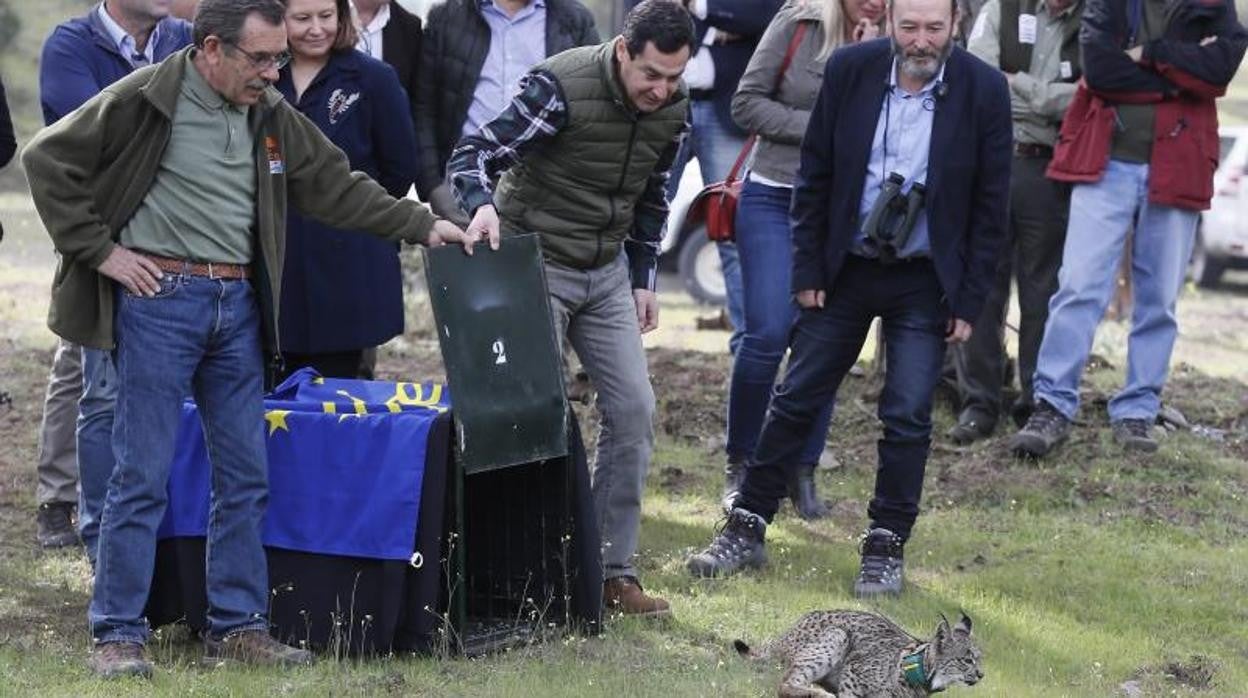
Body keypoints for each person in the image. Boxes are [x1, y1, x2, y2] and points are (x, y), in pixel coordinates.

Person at [22, 0, 470, 677]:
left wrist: (424, 226)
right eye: (259, 59)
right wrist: (101, 252)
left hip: (237, 308)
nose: (273, 71)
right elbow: (47, 158)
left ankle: (237, 627)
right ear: (210, 50)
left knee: (245, 476)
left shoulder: (267, 113)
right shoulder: (147, 95)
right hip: (157, 303)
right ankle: (117, 633)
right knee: (140, 476)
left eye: (279, 58)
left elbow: (336, 185)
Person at [686, 0, 1011, 597]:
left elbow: (992, 205)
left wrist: (970, 302)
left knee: (909, 413)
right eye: (908, 26)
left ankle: (885, 546)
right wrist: (808, 266)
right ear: (890, 23)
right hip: (846, 267)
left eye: (933, 28)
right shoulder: (851, 70)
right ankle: (745, 528)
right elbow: (815, 174)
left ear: (956, 24)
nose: (920, 42)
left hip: (924, 276)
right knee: (796, 396)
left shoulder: (983, 89)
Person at [447, 0, 692, 618]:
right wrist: (480, 206)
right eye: (651, 76)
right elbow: (472, 154)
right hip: (537, 263)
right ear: (622, 52)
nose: (661, 89)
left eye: (673, 77)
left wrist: (644, 277)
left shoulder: (675, 108)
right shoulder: (559, 88)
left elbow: (654, 194)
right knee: (539, 416)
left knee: (635, 409)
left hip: (606, 271)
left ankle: (611, 572)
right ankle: (535, 572)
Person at [1010, 0, 1247, 457]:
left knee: (1159, 298)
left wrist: (1149, 52)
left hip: (1179, 162)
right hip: (1104, 161)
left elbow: (1217, 73)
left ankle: (1138, 408)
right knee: (1078, 287)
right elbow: (1100, 72)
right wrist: (1180, 71)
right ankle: (1052, 404)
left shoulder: (1215, 5)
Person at [33, 0, 193, 556]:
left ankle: (163, 519)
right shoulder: (70, 46)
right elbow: (102, 141)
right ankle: (80, 517)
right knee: (90, 381)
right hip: (104, 241)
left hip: (178, 245)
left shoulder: (187, 36)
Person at [724, 0, 883, 520]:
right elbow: (746, 104)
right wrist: (824, 124)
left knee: (823, 342)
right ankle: (743, 464)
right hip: (774, 195)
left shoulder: (911, 36)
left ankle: (802, 467)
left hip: (843, 213)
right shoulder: (800, 22)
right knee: (767, 333)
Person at [947, 0, 1082, 445]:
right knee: (981, 286)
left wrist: (1020, 87)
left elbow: (1085, 97)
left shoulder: (1094, 20)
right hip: (992, 158)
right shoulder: (1001, 9)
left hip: (1051, 167)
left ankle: (1035, 401)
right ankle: (978, 402)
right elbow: (980, 80)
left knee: (1042, 290)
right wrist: (1046, 99)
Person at [274, 0, 419, 381]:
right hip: (279, 258)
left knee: (340, 391)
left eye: (326, 16)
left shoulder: (373, 79)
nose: (316, 28)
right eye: (302, 18)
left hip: (349, 263)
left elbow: (400, 166)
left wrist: (353, 212)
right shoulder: (264, 75)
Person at [657, 0, 784, 356]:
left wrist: (697, 4)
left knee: (738, 231)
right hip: (662, 103)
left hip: (729, 104)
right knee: (640, 222)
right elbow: (644, 15)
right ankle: (615, 352)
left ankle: (752, 351)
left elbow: (764, 14)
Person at [415, 0, 600, 227]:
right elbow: (423, 108)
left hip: (545, 194)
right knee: (470, 262)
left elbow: (591, 107)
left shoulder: (574, 20)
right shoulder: (447, 16)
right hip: (463, 184)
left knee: (536, 262)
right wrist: (434, 187)